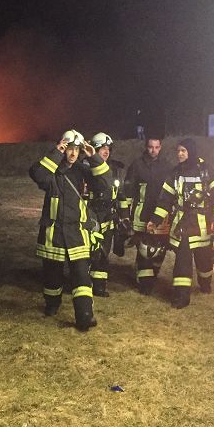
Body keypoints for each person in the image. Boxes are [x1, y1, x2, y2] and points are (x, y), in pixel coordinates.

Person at [29, 129, 112, 330]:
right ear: (64, 148)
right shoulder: (53, 170)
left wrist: (93, 157)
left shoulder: (83, 170)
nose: (73, 153)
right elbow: (37, 174)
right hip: (54, 232)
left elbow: (105, 185)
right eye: (69, 149)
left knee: (81, 275)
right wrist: (56, 152)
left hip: (77, 232)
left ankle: (85, 316)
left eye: (77, 149)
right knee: (52, 275)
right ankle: (52, 304)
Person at [147, 138, 214, 308]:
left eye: (183, 151)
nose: (180, 154)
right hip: (182, 226)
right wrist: (155, 220)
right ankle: (181, 298)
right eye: (178, 151)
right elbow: (165, 200)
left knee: (204, 264)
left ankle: (205, 284)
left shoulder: (206, 171)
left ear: (191, 151)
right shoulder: (175, 173)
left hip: (203, 227)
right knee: (182, 263)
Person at [123, 136, 173, 295]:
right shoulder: (137, 165)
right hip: (142, 215)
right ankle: (145, 284)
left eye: (157, 147)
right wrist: (125, 214)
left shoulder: (167, 166)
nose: (153, 150)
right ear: (146, 147)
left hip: (162, 215)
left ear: (160, 147)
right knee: (144, 248)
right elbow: (128, 190)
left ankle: (153, 275)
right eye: (151, 147)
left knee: (160, 248)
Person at [87, 132, 127, 298]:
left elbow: (121, 195)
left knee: (104, 252)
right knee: (90, 252)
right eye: (102, 148)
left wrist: (124, 216)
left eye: (108, 148)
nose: (106, 151)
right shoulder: (86, 167)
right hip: (92, 214)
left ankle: (99, 286)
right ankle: (83, 284)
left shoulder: (114, 169)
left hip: (109, 216)